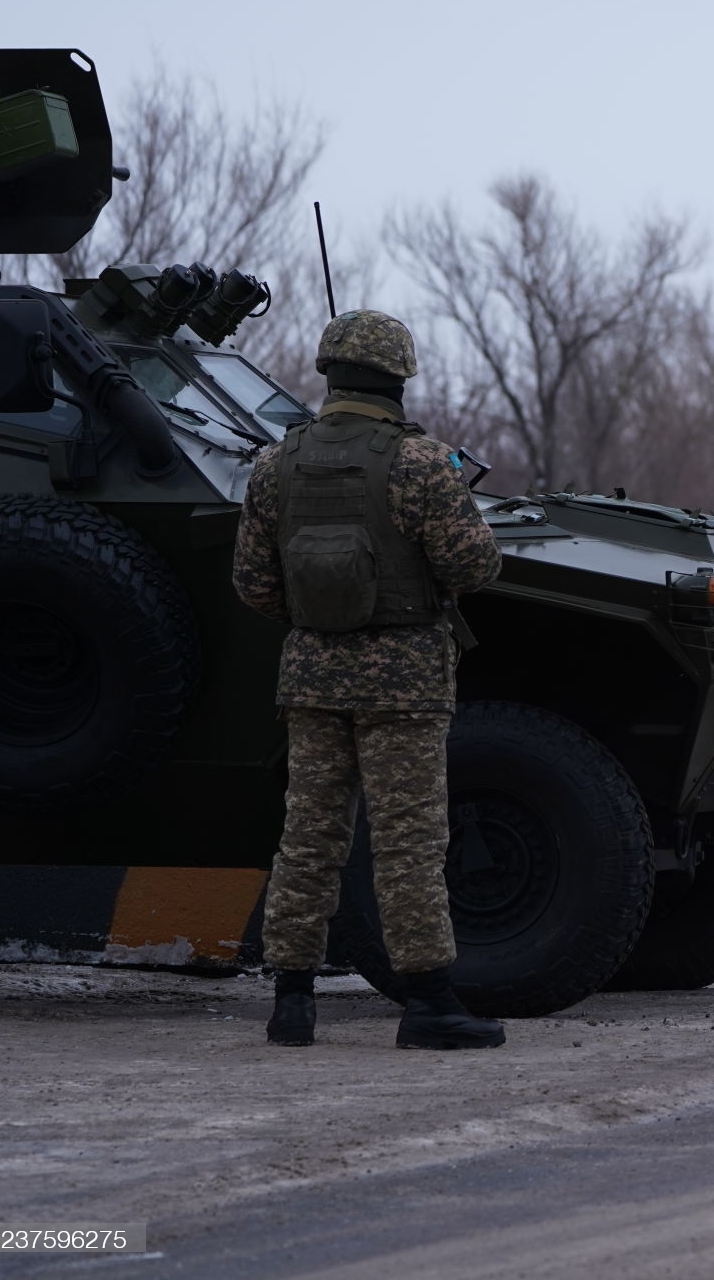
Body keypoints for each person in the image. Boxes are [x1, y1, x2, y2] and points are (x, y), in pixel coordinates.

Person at [232, 309, 505, 1049]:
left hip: (313, 677)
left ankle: (291, 1002)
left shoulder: (275, 463)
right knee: (408, 841)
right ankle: (427, 1004)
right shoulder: (421, 464)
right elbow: (476, 565)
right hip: (404, 684)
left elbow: (253, 583)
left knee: (308, 837)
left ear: (329, 373)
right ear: (399, 376)